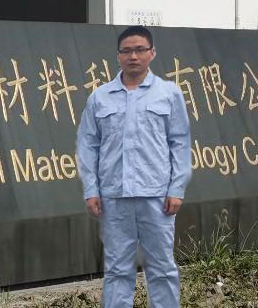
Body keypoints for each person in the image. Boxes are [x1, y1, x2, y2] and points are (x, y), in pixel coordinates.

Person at [77, 25, 191, 308]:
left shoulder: (168, 94)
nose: (133, 56)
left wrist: (176, 188)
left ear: (152, 53)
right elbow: (88, 145)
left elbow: (179, 142)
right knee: (117, 268)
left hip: (157, 196)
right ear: (118, 56)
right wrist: (91, 189)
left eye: (140, 49)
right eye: (126, 51)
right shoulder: (100, 97)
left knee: (162, 267)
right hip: (114, 197)